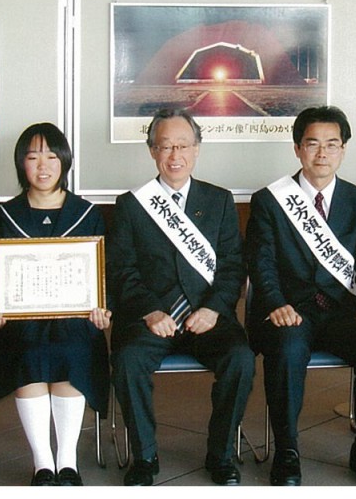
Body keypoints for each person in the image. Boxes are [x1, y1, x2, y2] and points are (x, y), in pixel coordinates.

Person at [245, 105, 356, 486]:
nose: (322, 153)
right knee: (288, 347)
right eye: (313, 144)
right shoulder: (270, 200)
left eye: (332, 144)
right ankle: (287, 449)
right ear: (297, 149)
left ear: (343, 149)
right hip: (289, 312)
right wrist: (276, 304)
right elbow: (260, 264)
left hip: (345, 314)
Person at [108, 108, 255, 486]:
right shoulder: (131, 205)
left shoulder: (220, 201)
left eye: (183, 145)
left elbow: (232, 268)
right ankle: (144, 456)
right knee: (127, 359)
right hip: (152, 318)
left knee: (240, 358)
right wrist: (151, 311)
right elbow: (122, 270)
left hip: (205, 316)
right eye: (166, 146)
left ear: (197, 149)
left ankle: (221, 454)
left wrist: (213, 309)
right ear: (152, 152)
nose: (175, 155)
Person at [0, 123, 111, 486]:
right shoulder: (5, 215)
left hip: (75, 320)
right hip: (19, 324)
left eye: (51, 156)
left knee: (73, 347)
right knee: (29, 350)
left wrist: (101, 308)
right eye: (33, 157)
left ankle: (68, 462)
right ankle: (42, 463)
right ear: (21, 164)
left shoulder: (87, 213)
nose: (43, 165)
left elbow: (101, 276)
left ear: (64, 161)